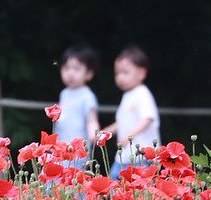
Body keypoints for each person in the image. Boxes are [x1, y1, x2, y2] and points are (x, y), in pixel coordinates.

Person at [99, 46, 160, 178]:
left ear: (142, 73)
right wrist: (105, 133)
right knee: (116, 183)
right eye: (117, 73)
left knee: (137, 189)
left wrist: (128, 137)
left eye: (125, 73)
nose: (120, 77)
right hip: (126, 155)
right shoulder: (128, 95)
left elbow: (147, 118)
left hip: (142, 155)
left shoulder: (142, 93)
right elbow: (122, 122)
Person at [54, 45, 101, 169]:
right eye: (66, 68)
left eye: (76, 69)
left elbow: (92, 120)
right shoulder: (64, 93)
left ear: (89, 74)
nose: (70, 73)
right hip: (60, 150)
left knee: (73, 183)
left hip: (78, 152)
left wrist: (95, 136)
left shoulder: (87, 96)